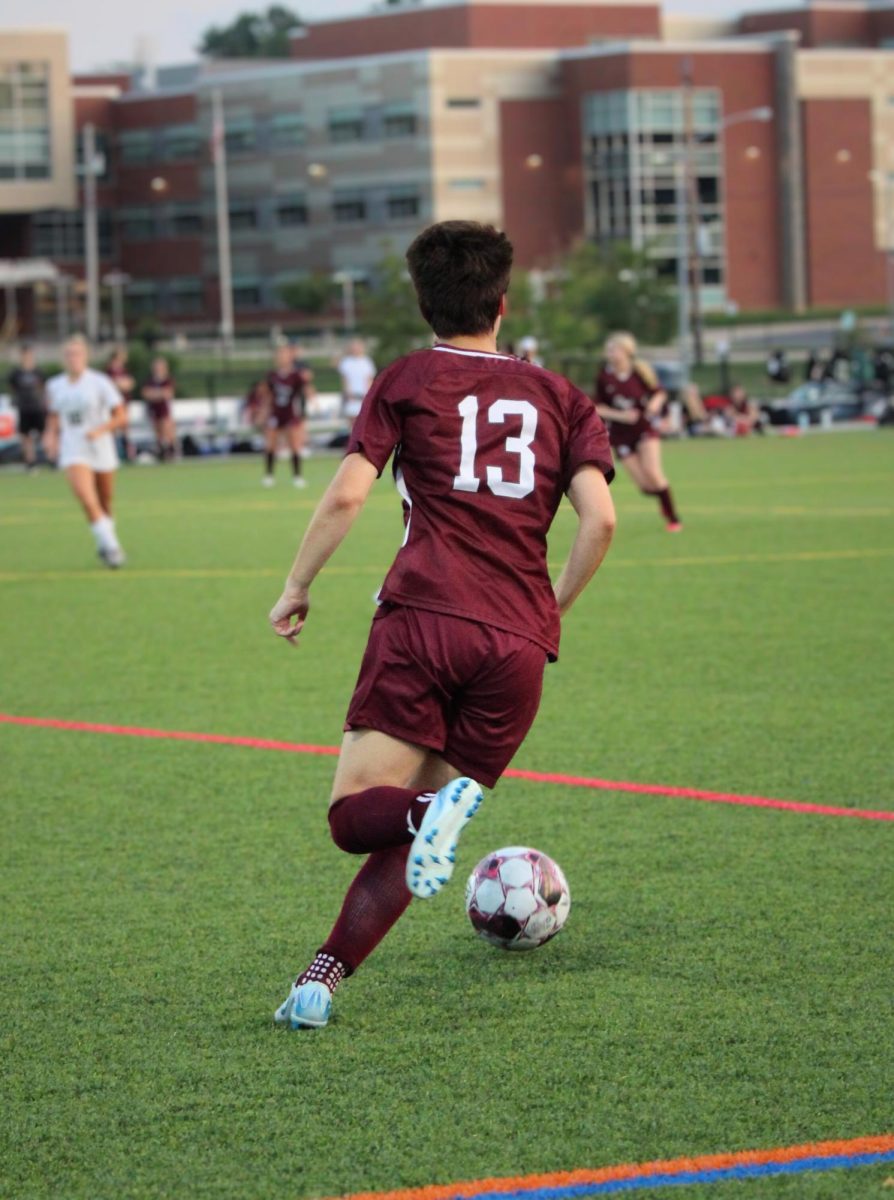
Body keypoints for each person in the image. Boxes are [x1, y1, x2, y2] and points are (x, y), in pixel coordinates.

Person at [268, 220, 616, 1031]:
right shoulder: (562, 396)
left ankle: (428, 815)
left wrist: (296, 585)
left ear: (424, 303)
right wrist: (548, 608)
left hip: (424, 618)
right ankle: (319, 981)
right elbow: (599, 523)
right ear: (503, 303)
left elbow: (351, 494)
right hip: (517, 646)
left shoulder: (407, 378)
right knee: (412, 821)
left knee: (359, 817)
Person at [43, 335, 127, 568]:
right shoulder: (55, 385)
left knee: (105, 501)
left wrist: (101, 430)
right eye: (69, 354)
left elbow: (121, 416)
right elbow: (53, 416)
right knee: (86, 497)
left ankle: (106, 541)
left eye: (78, 354)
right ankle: (111, 546)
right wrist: (50, 436)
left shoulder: (100, 382)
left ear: (86, 356)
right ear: (63, 359)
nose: (74, 359)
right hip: (73, 447)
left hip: (100, 447)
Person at [594, 332, 682, 531]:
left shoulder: (640, 372)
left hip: (644, 429)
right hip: (620, 435)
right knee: (644, 486)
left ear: (627, 351)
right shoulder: (604, 377)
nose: (610, 354)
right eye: (608, 350)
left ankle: (673, 518)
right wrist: (621, 415)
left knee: (653, 472)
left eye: (614, 349)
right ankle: (662, 495)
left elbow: (659, 393)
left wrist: (655, 407)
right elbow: (598, 407)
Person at [262, 342, 313, 488]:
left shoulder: (297, 376)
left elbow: (306, 389)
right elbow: (268, 395)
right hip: (275, 413)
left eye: (284, 354)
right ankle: (269, 476)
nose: (281, 357)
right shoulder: (272, 375)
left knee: (295, 446)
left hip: (291, 413)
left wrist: (311, 404)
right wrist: (264, 413)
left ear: (290, 356)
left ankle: (297, 476)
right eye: (279, 354)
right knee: (270, 445)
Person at [8, 345, 46, 472]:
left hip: (37, 408)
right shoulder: (16, 373)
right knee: (25, 436)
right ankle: (31, 462)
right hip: (24, 408)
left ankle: (50, 458)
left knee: (43, 433)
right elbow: (12, 387)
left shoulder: (38, 372)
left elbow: (43, 388)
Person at [141, 357, 177, 462]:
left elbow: (168, 394)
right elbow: (145, 393)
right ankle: (161, 451)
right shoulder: (150, 380)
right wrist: (159, 394)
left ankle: (171, 451)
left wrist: (155, 394)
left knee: (167, 429)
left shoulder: (167, 380)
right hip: (154, 410)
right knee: (158, 432)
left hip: (164, 409)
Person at [337, 339, 376, 430]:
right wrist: (348, 393)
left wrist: (369, 394)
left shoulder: (367, 361)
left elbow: (369, 379)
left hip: (364, 394)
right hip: (352, 395)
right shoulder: (346, 362)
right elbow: (345, 380)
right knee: (352, 420)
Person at [106, 347, 136, 463]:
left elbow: (129, 384)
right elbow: (110, 386)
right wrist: (119, 384)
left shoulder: (124, 371)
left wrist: (119, 383)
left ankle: (127, 452)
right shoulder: (108, 372)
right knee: (112, 428)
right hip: (112, 406)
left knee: (125, 428)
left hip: (123, 404)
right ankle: (113, 453)